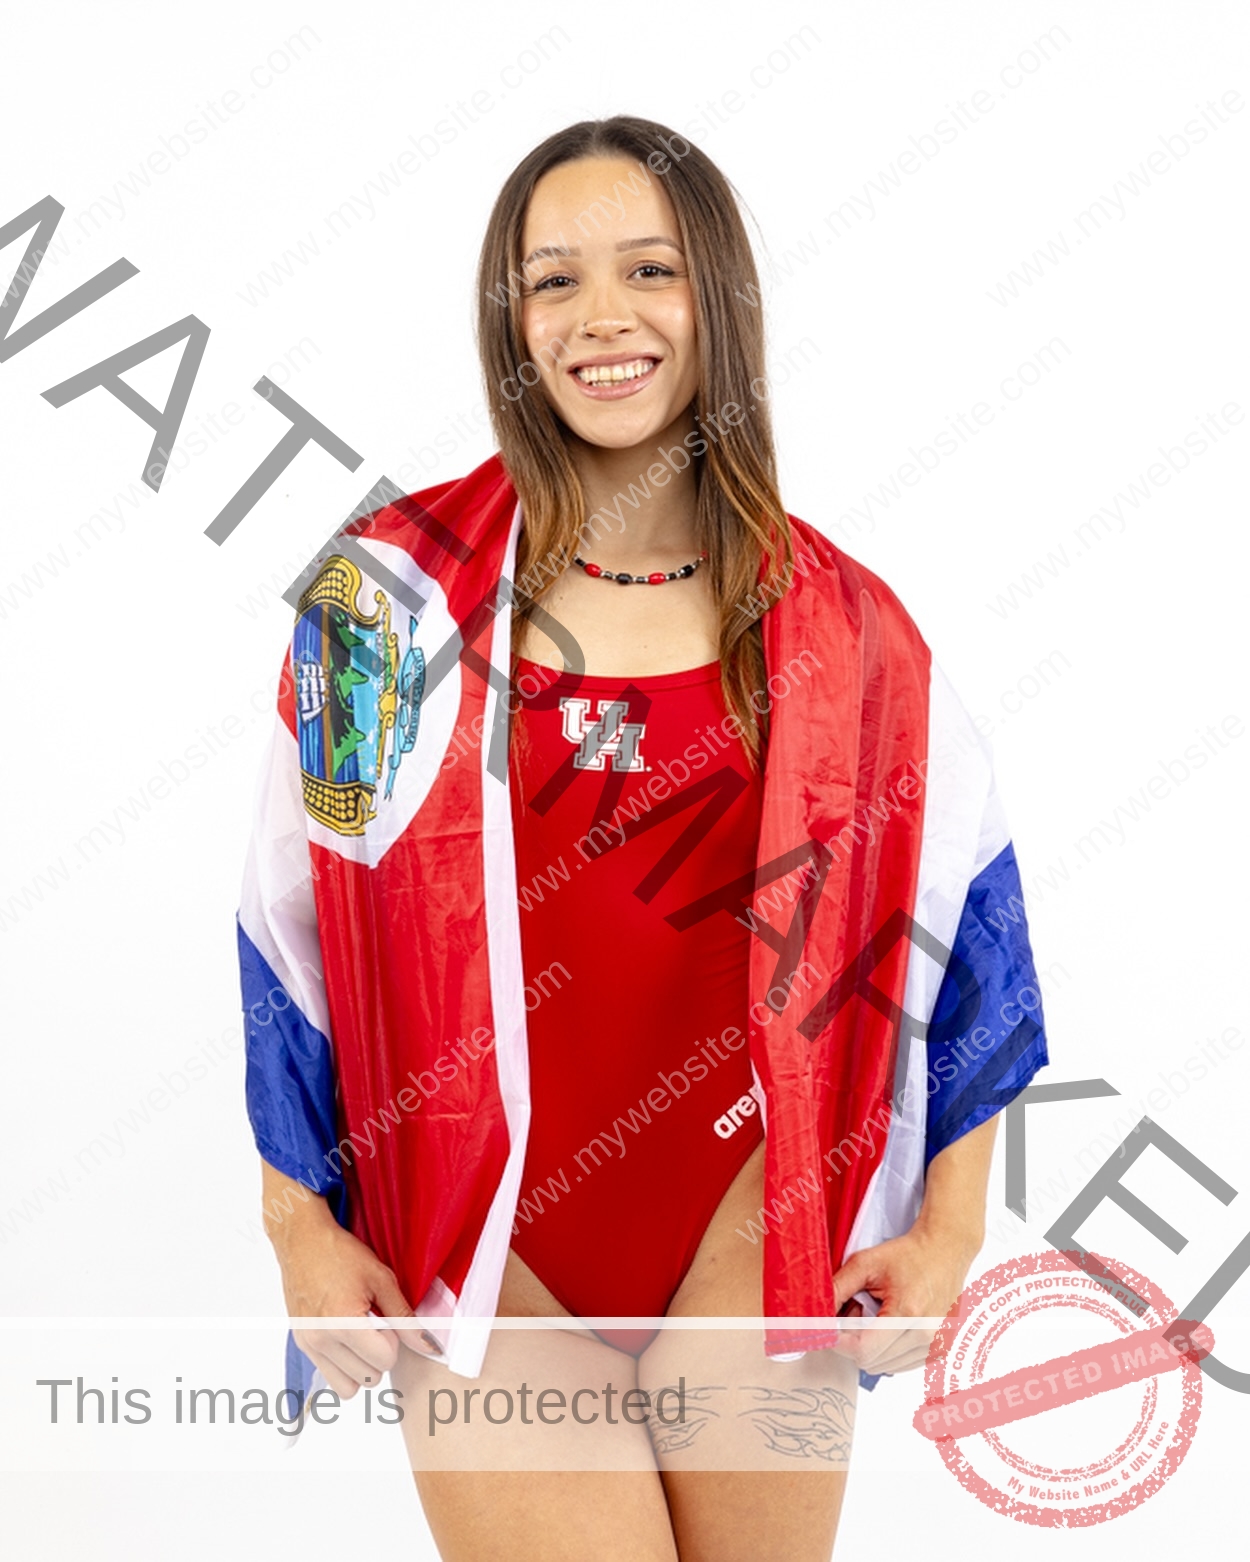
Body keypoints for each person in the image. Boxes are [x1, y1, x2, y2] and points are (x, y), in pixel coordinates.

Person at [238, 115, 1049, 1560]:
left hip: (752, 1232)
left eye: (648, 271)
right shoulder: (381, 602)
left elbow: (969, 928)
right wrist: (300, 1225)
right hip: (490, 1258)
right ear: (512, 323)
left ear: (716, 304)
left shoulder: (847, 629)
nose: (600, 318)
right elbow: (286, 928)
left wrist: (950, 1226)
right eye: (551, 282)